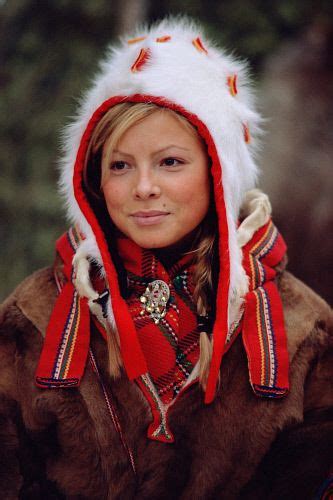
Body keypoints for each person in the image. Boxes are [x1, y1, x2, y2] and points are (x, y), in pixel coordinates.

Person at [1, 18, 332, 500]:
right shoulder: (32, 313)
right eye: (120, 165)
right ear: (92, 180)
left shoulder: (305, 328)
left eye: (170, 161)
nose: (143, 187)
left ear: (218, 172)